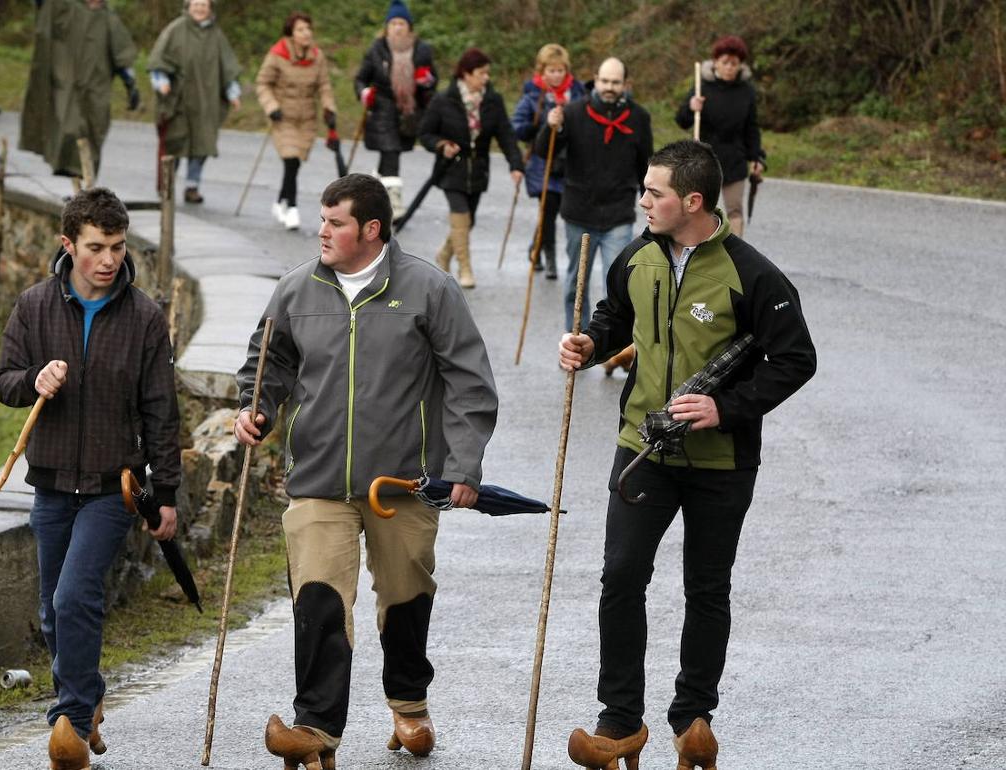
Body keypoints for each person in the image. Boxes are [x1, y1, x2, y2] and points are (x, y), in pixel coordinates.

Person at [556, 140, 816, 770]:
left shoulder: (753, 274)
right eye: (644, 191)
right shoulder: (635, 257)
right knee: (621, 576)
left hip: (722, 461)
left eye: (655, 193)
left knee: (706, 587)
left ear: (693, 202)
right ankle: (619, 722)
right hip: (642, 450)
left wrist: (726, 409)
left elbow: (795, 359)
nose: (642, 201)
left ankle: (693, 717)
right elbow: (615, 315)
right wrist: (588, 343)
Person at [235, 174, 497, 769]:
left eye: (335, 222)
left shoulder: (429, 290)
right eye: (321, 221)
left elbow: (469, 382)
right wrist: (255, 407)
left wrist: (462, 464)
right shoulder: (295, 289)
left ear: (371, 229)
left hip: (402, 484)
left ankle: (408, 699)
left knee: (406, 598)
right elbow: (267, 360)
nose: (321, 232)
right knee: (320, 599)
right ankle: (316, 727)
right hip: (319, 477)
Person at [0, 187, 182, 770]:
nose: (108, 260)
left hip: (112, 487)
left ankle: (72, 721)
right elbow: (4, 380)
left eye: (117, 247)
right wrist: (34, 381)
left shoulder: (145, 317)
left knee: (76, 595)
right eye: (96, 247)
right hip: (50, 483)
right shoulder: (34, 306)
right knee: (52, 608)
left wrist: (166, 494)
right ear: (67, 244)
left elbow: (161, 410)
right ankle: (87, 694)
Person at [535, 56, 652, 333]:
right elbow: (544, 151)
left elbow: (646, 167)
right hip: (579, 213)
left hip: (618, 214)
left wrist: (651, 203)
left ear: (626, 84)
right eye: (605, 81)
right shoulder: (573, 112)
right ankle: (575, 340)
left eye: (615, 82)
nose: (609, 87)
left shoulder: (639, 117)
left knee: (616, 288)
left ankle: (608, 347)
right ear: (595, 81)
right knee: (575, 285)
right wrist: (551, 127)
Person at [418, 47, 523, 289]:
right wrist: (442, 144)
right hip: (451, 169)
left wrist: (515, 165)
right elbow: (425, 133)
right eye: (481, 73)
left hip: (478, 170)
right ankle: (465, 269)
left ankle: (444, 254)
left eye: (487, 73)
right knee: (461, 216)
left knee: (468, 221)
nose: (486, 78)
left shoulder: (492, 101)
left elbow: (505, 134)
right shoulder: (444, 99)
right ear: (466, 74)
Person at [20, 0, 140, 179]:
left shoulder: (109, 19)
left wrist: (131, 84)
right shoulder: (65, 7)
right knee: (70, 127)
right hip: (66, 84)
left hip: (96, 87)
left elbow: (122, 55)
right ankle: (70, 170)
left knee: (94, 131)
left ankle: (87, 180)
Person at [148, 0, 241, 204]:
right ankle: (166, 186)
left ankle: (192, 186)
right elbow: (158, 62)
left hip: (206, 103)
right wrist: (161, 82)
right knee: (174, 144)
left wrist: (233, 93)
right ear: (188, 6)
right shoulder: (175, 29)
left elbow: (227, 67)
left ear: (210, 8)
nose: (200, 8)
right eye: (196, 4)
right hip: (178, 102)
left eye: (204, 5)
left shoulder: (216, 35)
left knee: (201, 145)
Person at [353, 0, 437, 217]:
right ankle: (394, 204)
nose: (398, 27)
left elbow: (433, 79)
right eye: (393, 23)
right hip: (382, 107)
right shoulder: (377, 49)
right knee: (391, 152)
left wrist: (425, 80)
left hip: (408, 112)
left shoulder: (422, 49)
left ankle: (373, 191)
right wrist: (365, 93)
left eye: (402, 23)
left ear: (409, 26)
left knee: (391, 153)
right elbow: (361, 79)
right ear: (387, 27)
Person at [510, 43, 586, 280]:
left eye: (560, 70)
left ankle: (536, 245)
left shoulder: (578, 94)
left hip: (571, 164)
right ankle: (550, 257)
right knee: (549, 210)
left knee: (564, 209)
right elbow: (517, 127)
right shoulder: (533, 96)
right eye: (551, 71)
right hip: (543, 165)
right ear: (542, 71)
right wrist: (537, 126)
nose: (556, 75)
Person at [255, 11, 336, 231]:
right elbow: (263, 83)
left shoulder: (317, 56)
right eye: (301, 29)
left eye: (308, 29)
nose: (306, 33)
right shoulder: (277, 54)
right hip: (284, 117)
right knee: (290, 160)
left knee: (295, 163)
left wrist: (329, 108)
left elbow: (324, 86)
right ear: (291, 33)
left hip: (307, 119)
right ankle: (292, 207)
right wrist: (272, 107)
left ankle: (280, 201)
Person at [676, 35, 764, 237]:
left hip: (735, 159)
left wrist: (756, 157)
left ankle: (734, 256)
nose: (729, 68)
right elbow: (682, 120)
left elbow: (751, 127)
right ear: (716, 62)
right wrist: (691, 107)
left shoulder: (747, 91)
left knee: (734, 211)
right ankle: (700, 251)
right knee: (702, 210)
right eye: (725, 62)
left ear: (740, 65)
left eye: (734, 63)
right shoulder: (702, 86)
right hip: (704, 159)